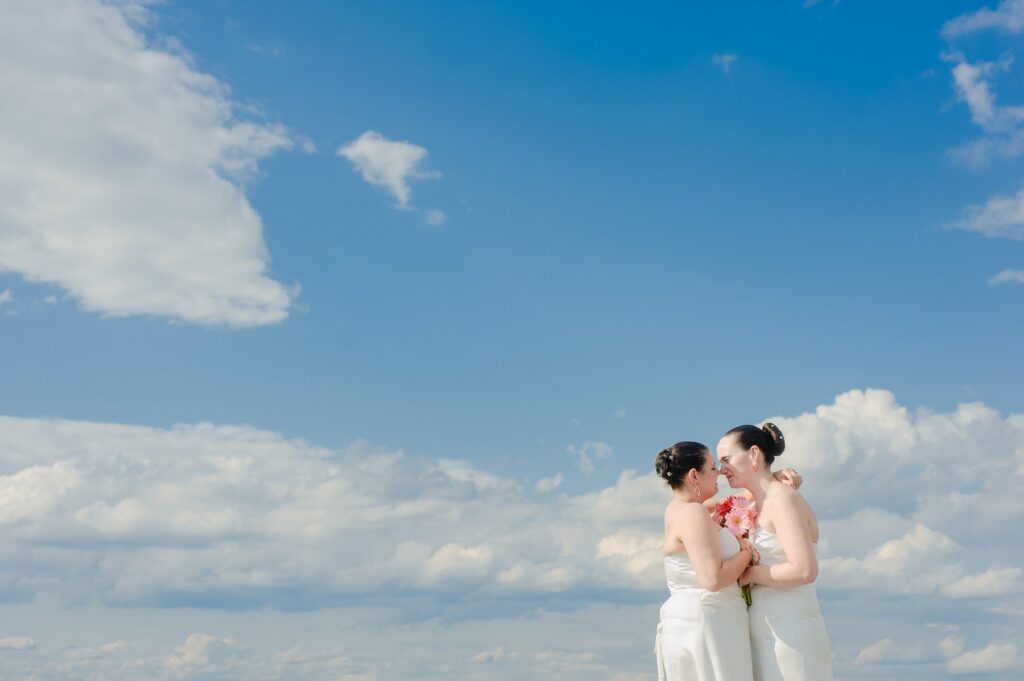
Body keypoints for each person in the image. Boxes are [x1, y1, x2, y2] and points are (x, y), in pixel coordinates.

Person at [717, 423, 833, 681]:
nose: (721, 469)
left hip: (791, 627)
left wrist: (749, 575)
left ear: (754, 454)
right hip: (761, 627)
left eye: (726, 459)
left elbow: (804, 569)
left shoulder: (783, 500)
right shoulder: (752, 502)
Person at [654, 441, 755, 681]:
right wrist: (746, 552)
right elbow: (713, 579)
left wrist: (775, 477)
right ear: (693, 476)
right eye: (712, 468)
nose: (719, 471)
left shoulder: (678, 509)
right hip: (708, 624)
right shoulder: (693, 513)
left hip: (695, 622)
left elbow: (741, 501)